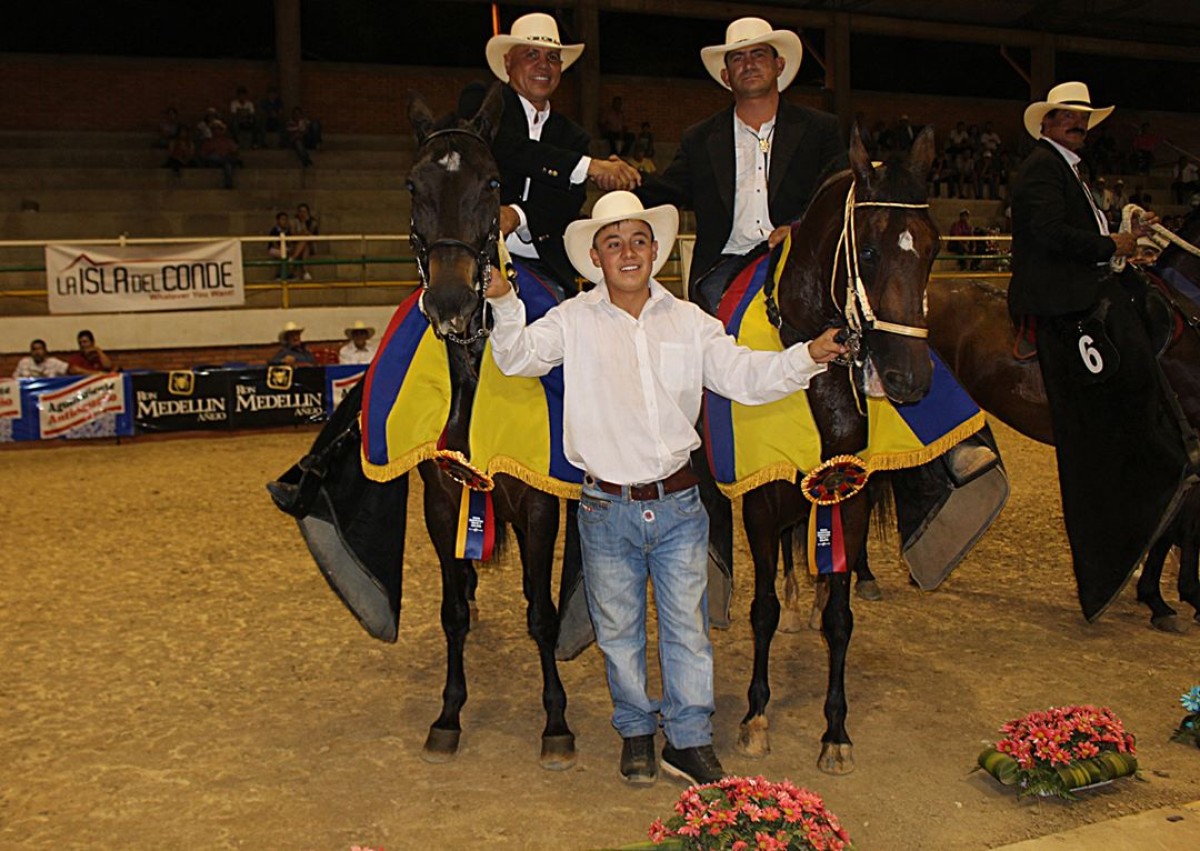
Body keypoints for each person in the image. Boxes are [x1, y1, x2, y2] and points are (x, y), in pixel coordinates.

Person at [484, 191, 847, 787]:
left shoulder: (691, 322)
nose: (627, 252)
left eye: (637, 241)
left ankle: (688, 738)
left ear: (655, 250)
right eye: (613, 243)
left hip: (680, 503)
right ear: (596, 258)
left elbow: (746, 377)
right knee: (619, 633)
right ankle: (634, 729)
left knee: (687, 631)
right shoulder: (571, 321)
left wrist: (806, 355)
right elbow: (519, 358)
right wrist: (504, 304)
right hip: (605, 508)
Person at [1007, 81, 1196, 620]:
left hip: (1086, 280)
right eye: (1067, 116)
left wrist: (1121, 239)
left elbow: (1077, 234)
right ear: (1046, 124)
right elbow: (1047, 234)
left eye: (1082, 118)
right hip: (1060, 300)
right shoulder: (1044, 169)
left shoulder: (1069, 170)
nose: (1077, 124)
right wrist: (1109, 246)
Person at [636, 16, 843, 312]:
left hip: (801, 258)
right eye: (738, 58)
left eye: (759, 54)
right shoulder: (700, 138)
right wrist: (624, 181)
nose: (749, 64)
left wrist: (797, 228)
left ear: (779, 65)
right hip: (726, 266)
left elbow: (838, 193)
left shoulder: (820, 129)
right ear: (726, 76)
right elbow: (668, 190)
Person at [485, 12, 640, 295]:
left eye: (553, 58)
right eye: (531, 54)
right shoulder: (484, 107)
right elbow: (508, 148)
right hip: (477, 260)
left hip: (545, 267)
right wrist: (588, 166)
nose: (543, 65)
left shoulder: (573, 136)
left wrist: (517, 215)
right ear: (508, 62)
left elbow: (563, 206)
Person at [198, 120, 239, 189]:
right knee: (214, 157)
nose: (216, 131)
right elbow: (203, 154)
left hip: (225, 161)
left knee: (228, 164)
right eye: (214, 129)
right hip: (213, 161)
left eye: (218, 129)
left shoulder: (228, 141)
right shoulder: (208, 142)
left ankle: (228, 183)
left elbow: (235, 151)